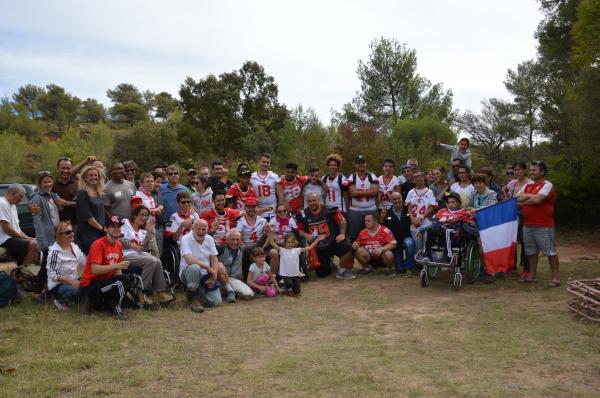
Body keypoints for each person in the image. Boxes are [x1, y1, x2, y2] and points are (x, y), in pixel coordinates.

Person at [517, 161, 560, 287]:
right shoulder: (527, 186)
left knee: (550, 251)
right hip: (528, 224)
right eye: (531, 170)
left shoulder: (547, 185)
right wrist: (531, 198)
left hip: (544, 225)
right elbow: (517, 199)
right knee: (531, 251)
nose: (531, 172)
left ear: (542, 172)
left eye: (534, 170)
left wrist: (527, 198)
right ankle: (532, 275)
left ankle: (556, 278)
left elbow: (538, 200)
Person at [79, 216, 131, 320]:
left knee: (126, 281)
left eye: (118, 227)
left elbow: (118, 271)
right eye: (113, 227)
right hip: (91, 285)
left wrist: (124, 288)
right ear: (106, 229)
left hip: (105, 282)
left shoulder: (118, 245)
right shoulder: (98, 244)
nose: (117, 229)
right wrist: (117, 266)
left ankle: (106, 304)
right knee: (124, 280)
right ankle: (115, 310)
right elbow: (95, 269)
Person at [31, 171, 73, 296]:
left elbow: (59, 209)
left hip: (56, 236)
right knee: (47, 265)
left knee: (51, 265)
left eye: (50, 181)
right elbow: (37, 222)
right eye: (45, 182)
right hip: (47, 238)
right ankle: (37, 292)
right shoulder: (37, 198)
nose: (48, 184)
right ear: (39, 184)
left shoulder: (52, 197)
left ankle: (46, 289)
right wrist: (42, 241)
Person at [121, 205, 174, 305]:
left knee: (157, 261)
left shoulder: (142, 232)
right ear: (134, 215)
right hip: (126, 254)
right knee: (152, 261)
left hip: (139, 255)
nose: (144, 217)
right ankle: (140, 291)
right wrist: (131, 245)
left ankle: (161, 293)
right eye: (141, 214)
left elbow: (143, 248)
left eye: (146, 215)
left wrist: (149, 234)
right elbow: (119, 239)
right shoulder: (126, 224)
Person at [179, 220, 236, 312]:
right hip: (188, 272)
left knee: (216, 302)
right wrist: (209, 268)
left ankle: (198, 295)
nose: (201, 232)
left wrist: (214, 276)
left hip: (205, 274)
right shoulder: (185, 238)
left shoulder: (209, 239)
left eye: (204, 229)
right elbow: (189, 260)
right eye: (199, 229)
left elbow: (214, 258)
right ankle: (193, 299)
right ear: (193, 228)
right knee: (194, 267)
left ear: (207, 229)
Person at [296, 193, 356, 279]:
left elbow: (342, 221)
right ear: (307, 202)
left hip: (333, 242)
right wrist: (306, 235)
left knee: (348, 246)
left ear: (319, 200)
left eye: (314, 200)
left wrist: (342, 234)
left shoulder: (329, 210)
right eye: (309, 201)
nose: (312, 203)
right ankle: (329, 263)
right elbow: (300, 230)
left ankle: (342, 270)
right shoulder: (303, 214)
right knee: (322, 274)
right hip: (319, 246)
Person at [268, 232, 324, 296]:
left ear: (295, 242)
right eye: (288, 242)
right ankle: (284, 287)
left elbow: (309, 248)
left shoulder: (297, 250)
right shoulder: (282, 250)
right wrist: (271, 232)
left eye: (292, 242)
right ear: (285, 242)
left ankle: (287, 289)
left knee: (297, 292)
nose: (290, 244)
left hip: (295, 274)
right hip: (286, 274)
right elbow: (272, 243)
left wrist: (317, 240)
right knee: (289, 284)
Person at [46, 221, 86, 311]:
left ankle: (76, 298)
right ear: (59, 235)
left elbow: (85, 261)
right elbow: (53, 275)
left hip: (73, 281)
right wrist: (71, 281)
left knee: (89, 285)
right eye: (68, 232)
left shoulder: (74, 247)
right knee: (78, 290)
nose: (72, 234)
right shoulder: (54, 252)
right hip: (59, 285)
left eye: (72, 231)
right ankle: (60, 301)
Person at [503, 162, 532, 278]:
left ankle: (526, 267)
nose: (516, 172)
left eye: (519, 170)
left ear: (525, 170)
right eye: (515, 170)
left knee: (525, 241)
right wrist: (508, 200)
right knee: (512, 241)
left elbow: (529, 200)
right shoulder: (512, 183)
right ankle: (511, 265)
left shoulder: (530, 183)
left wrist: (514, 202)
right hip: (513, 215)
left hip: (525, 215)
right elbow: (503, 189)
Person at [0, 184, 38, 265]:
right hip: (3, 239)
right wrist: (24, 238)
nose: (21, 200)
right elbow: (6, 229)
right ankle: (22, 272)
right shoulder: (2, 203)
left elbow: (17, 229)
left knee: (35, 241)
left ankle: (20, 268)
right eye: (20, 196)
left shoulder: (12, 205)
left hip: (10, 238)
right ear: (13, 193)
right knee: (34, 245)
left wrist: (28, 238)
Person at [382, 192, 415, 276]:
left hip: (406, 238)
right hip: (395, 243)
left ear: (402, 199)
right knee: (400, 270)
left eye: (399, 198)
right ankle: (400, 265)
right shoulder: (387, 213)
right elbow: (383, 228)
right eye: (394, 199)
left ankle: (409, 267)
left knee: (410, 243)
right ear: (391, 201)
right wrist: (382, 217)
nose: (397, 201)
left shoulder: (408, 210)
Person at [347, 155, 379, 242]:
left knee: (373, 234)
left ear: (366, 163)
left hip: (371, 209)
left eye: (363, 162)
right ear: (355, 165)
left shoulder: (372, 176)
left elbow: (375, 192)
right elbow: (353, 194)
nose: (361, 164)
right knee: (354, 237)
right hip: (355, 210)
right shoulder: (352, 177)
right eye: (359, 163)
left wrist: (358, 192)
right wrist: (369, 192)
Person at [405, 170, 438, 252]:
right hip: (414, 224)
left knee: (427, 246)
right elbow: (409, 207)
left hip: (426, 223)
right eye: (415, 177)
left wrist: (421, 217)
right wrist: (412, 219)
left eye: (419, 176)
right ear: (413, 179)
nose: (418, 178)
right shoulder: (411, 192)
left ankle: (427, 262)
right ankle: (418, 264)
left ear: (424, 177)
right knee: (417, 248)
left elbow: (432, 207)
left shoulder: (429, 192)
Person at [76, 166, 106, 254]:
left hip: (100, 231)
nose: (94, 177)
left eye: (95, 175)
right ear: (85, 178)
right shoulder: (82, 193)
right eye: (91, 175)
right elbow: (88, 216)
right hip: (88, 233)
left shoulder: (99, 192)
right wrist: (102, 229)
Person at [217, 229, 254, 299]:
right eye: (232, 239)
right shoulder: (221, 249)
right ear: (227, 239)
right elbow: (208, 245)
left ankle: (231, 292)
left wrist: (265, 235)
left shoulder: (243, 250)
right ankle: (230, 291)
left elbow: (257, 247)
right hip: (222, 278)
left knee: (249, 294)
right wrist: (212, 231)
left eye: (237, 239)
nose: (235, 242)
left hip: (234, 279)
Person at [135, 172, 163, 257]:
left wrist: (158, 209)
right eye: (147, 181)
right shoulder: (137, 196)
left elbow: (155, 212)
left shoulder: (150, 197)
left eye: (152, 181)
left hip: (151, 229)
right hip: (143, 230)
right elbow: (141, 212)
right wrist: (157, 209)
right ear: (141, 183)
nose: (150, 183)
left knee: (154, 255)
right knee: (154, 255)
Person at [250, 153, 279, 219]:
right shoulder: (252, 177)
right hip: (258, 211)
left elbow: (279, 194)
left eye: (268, 162)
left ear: (270, 164)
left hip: (272, 211)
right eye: (263, 162)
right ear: (259, 162)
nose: (265, 164)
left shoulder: (274, 176)